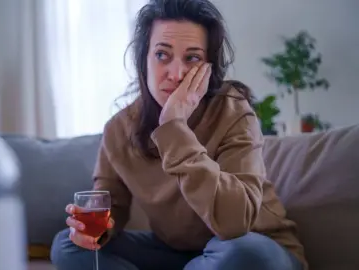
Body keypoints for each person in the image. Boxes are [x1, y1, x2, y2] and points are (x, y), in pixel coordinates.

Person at [51, 0, 306, 269]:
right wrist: (94, 229)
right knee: (68, 246)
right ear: (144, 59)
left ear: (209, 66)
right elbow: (111, 206)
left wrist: (174, 128)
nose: (176, 74)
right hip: (177, 253)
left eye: (192, 58)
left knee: (249, 256)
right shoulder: (120, 127)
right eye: (162, 55)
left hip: (249, 246)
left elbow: (235, 224)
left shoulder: (233, 112)